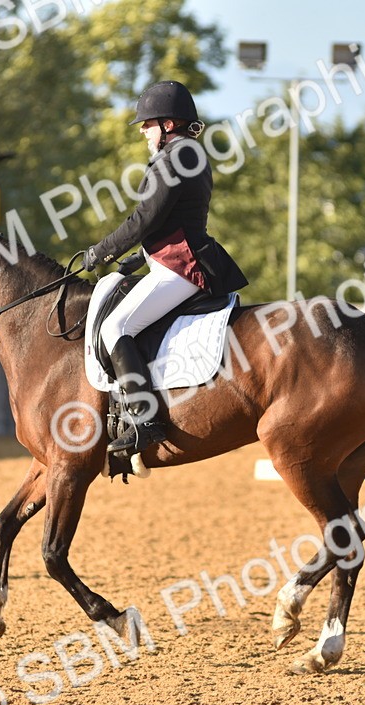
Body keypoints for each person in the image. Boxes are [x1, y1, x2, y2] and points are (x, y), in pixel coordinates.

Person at [82, 80, 248, 456]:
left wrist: (101, 252)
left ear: (168, 124)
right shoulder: (188, 154)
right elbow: (171, 223)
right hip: (173, 259)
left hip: (182, 267)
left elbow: (144, 219)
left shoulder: (175, 157)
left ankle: (145, 421)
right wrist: (136, 260)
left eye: (148, 123)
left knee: (115, 326)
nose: (143, 130)